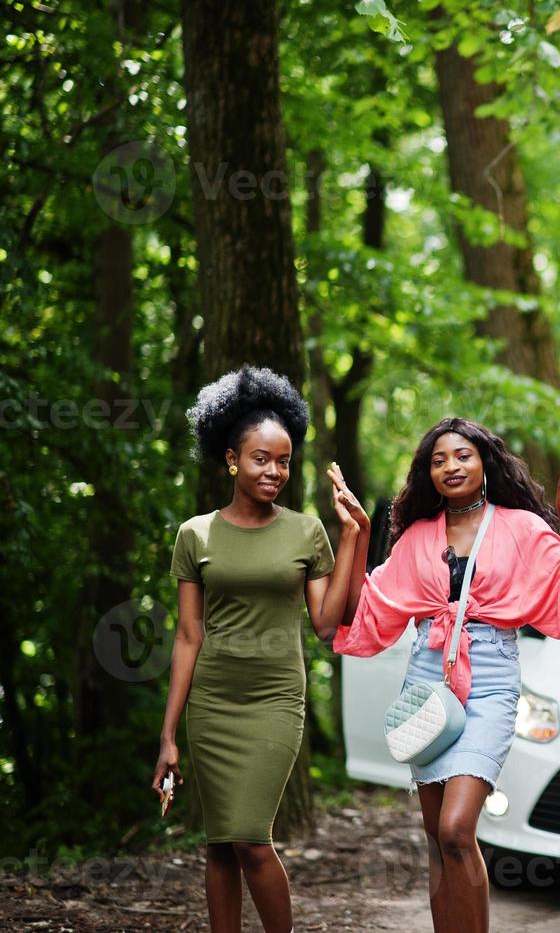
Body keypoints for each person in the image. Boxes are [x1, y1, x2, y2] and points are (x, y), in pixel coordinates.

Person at [325, 417, 560, 933]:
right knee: (435, 837)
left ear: (484, 462)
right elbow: (365, 613)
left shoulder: (521, 528)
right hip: (428, 682)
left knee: (456, 829)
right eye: (438, 460)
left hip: (492, 678)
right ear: (428, 474)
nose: (451, 466)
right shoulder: (416, 538)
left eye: (462, 455)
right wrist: (357, 535)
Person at [152, 366, 354, 933]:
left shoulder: (306, 531)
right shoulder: (195, 535)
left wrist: (353, 536)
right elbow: (189, 636)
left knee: (250, 840)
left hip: (274, 700)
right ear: (232, 459)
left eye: (284, 460)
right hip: (212, 702)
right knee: (220, 845)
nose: (275, 471)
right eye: (262, 458)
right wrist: (168, 736)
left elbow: (326, 623)